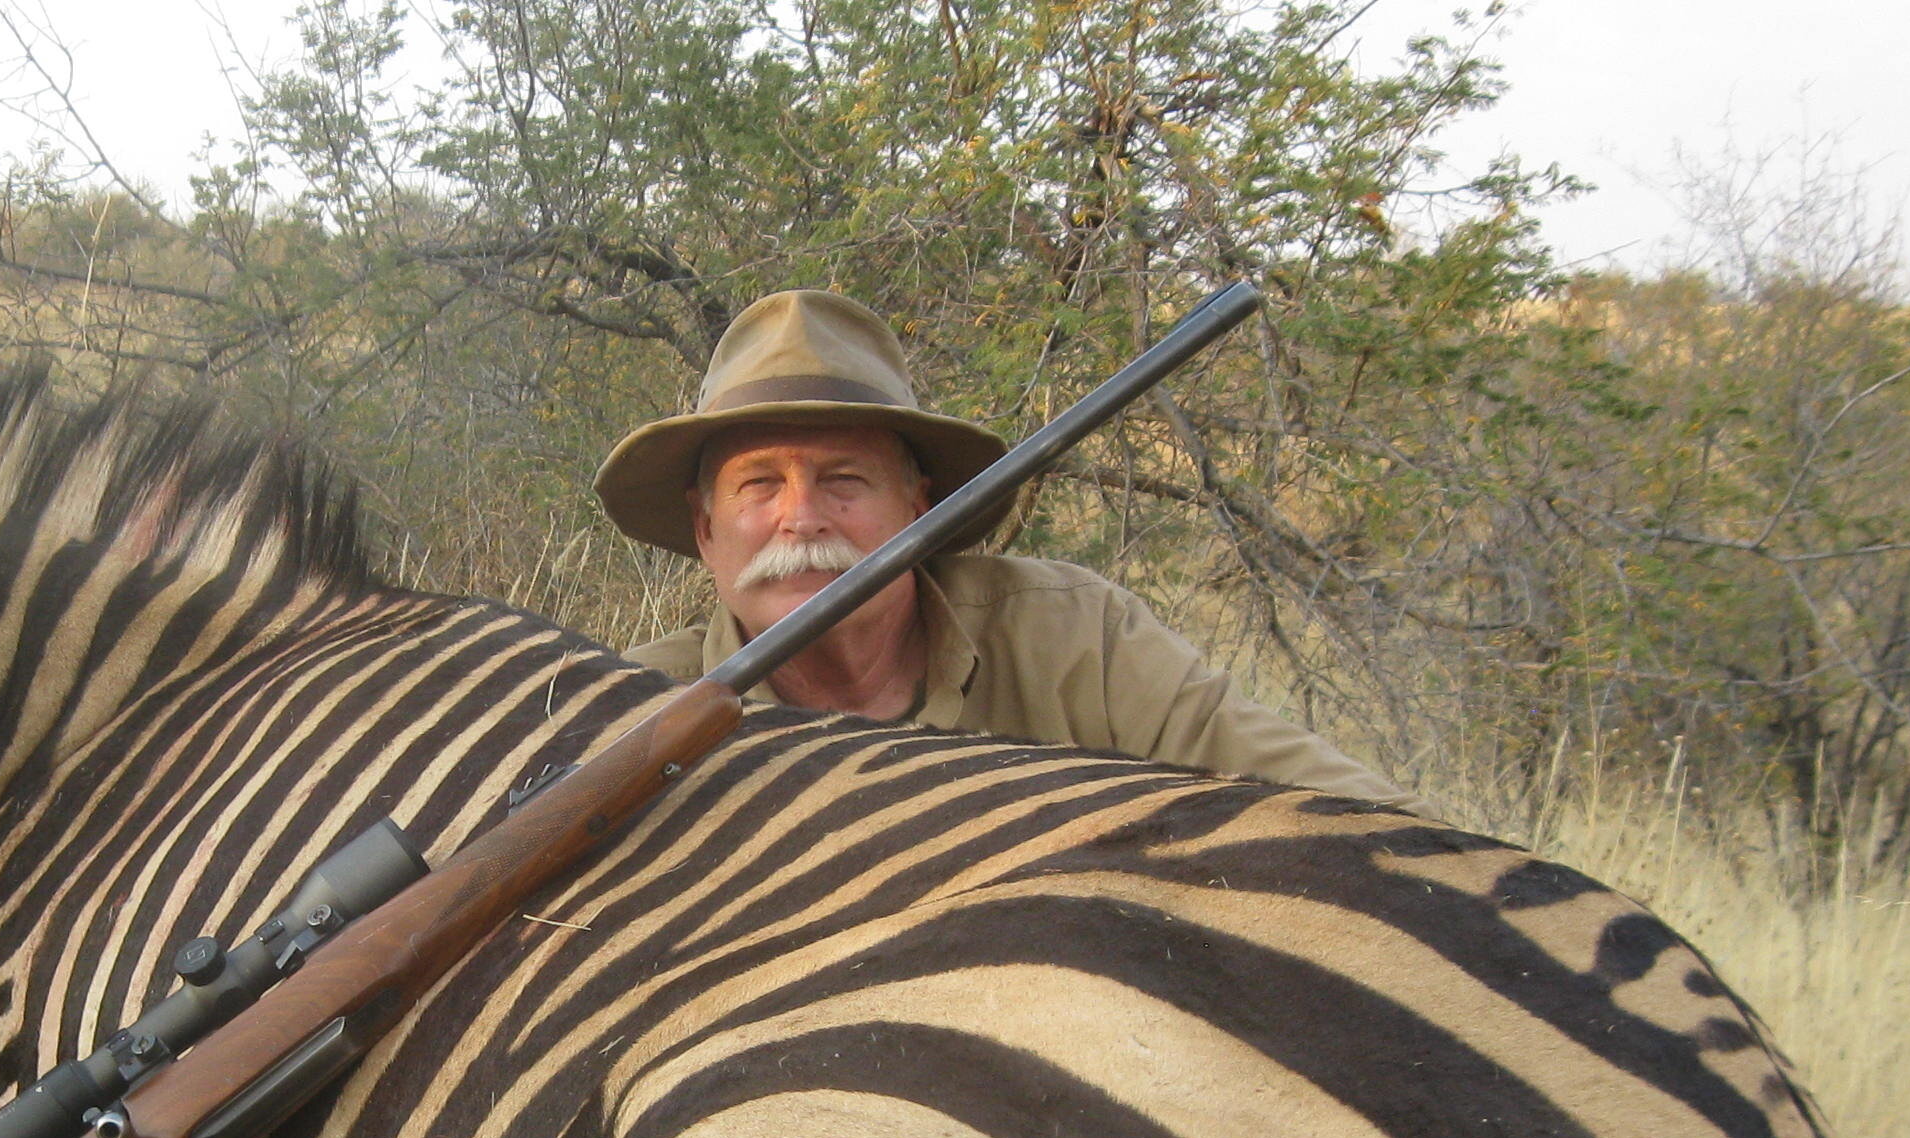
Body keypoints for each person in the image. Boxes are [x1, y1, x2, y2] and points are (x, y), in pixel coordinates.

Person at [601, 289, 1419, 808]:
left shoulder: (1075, 637)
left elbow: (1359, 817)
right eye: (759, 486)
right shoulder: (623, 717)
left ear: (921, 507)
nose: (802, 517)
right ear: (705, 529)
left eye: (845, 479)